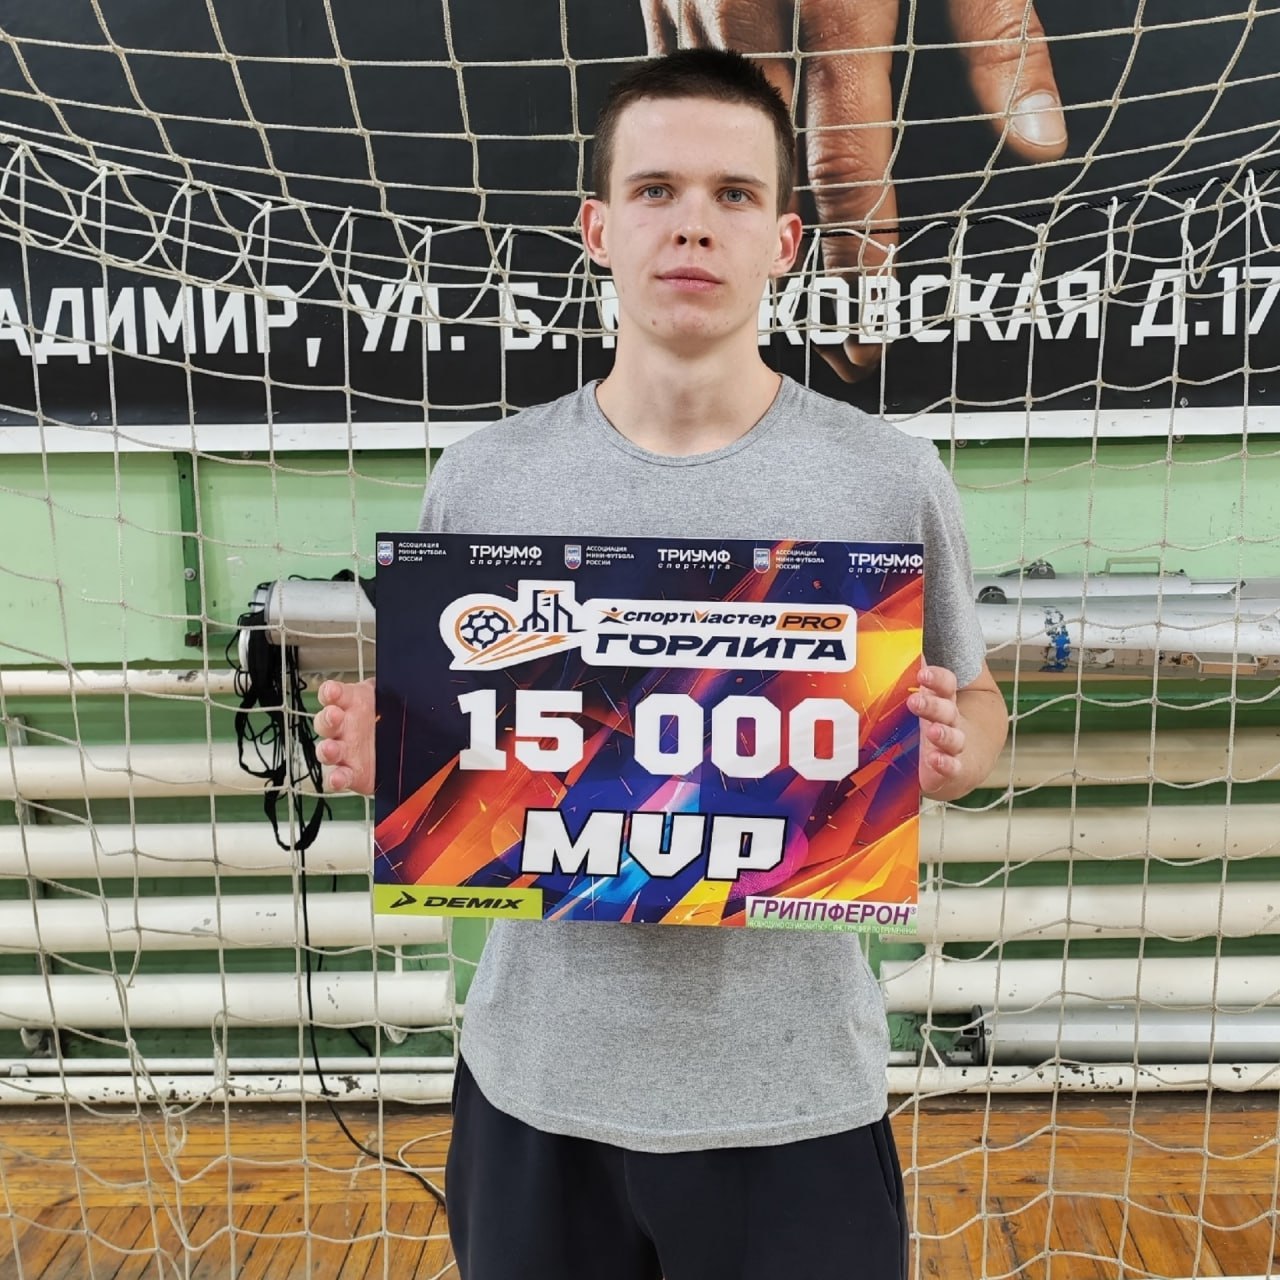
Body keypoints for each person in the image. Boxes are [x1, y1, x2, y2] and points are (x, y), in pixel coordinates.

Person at [315, 48, 1008, 1280]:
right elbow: (456, 753)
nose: (692, 223)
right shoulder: (483, 478)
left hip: (792, 1088)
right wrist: (394, 753)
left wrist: (958, 747)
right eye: (654, 190)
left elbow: (977, 699)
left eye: (732, 194)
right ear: (598, 227)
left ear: (785, 239)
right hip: (538, 1081)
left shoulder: (883, 474)